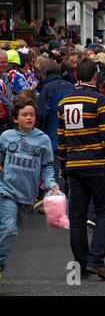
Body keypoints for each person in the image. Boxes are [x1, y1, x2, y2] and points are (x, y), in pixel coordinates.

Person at [58, 58, 105, 281]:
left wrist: (63, 165)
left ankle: (82, 263)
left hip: (74, 163)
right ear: (94, 76)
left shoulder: (64, 103)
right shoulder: (99, 99)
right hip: (97, 163)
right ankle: (97, 259)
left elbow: (61, 139)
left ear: (76, 76)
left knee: (77, 216)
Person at [0, 96, 59, 283]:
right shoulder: (6, 137)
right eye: (24, 115)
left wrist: (51, 183)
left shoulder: (43, 140)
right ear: (16, 118)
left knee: (10, 232)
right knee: (8, 229)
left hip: (28, 197)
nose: (29, 118)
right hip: (6, 191)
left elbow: (47, 166)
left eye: (32, 115)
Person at [35, 58, 74, 194]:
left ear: (44, 74)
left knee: (58, 175)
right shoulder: (70, 85)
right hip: (72, 136)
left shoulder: (46, 88)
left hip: (53, 137)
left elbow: (41, 114)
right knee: (71, 174)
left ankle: (62, 207)